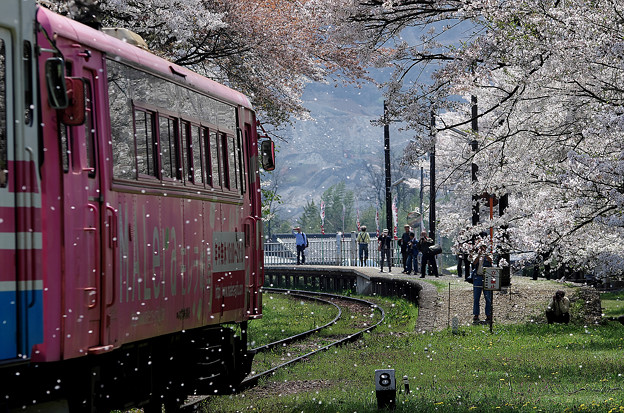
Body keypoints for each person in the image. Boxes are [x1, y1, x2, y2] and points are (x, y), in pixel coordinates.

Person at [471, 245, 493, 324]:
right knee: (476, 297)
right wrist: (479, 255)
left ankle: (488, 314)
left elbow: (491, 261)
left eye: (484, 247)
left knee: (488, 297)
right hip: (478, 277)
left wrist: (486, 255)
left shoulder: (489, 255)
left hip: (487, 277)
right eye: (481, 248)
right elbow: (474, 262)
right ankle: (476, 314)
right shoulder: (477, 255)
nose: (482, 249)